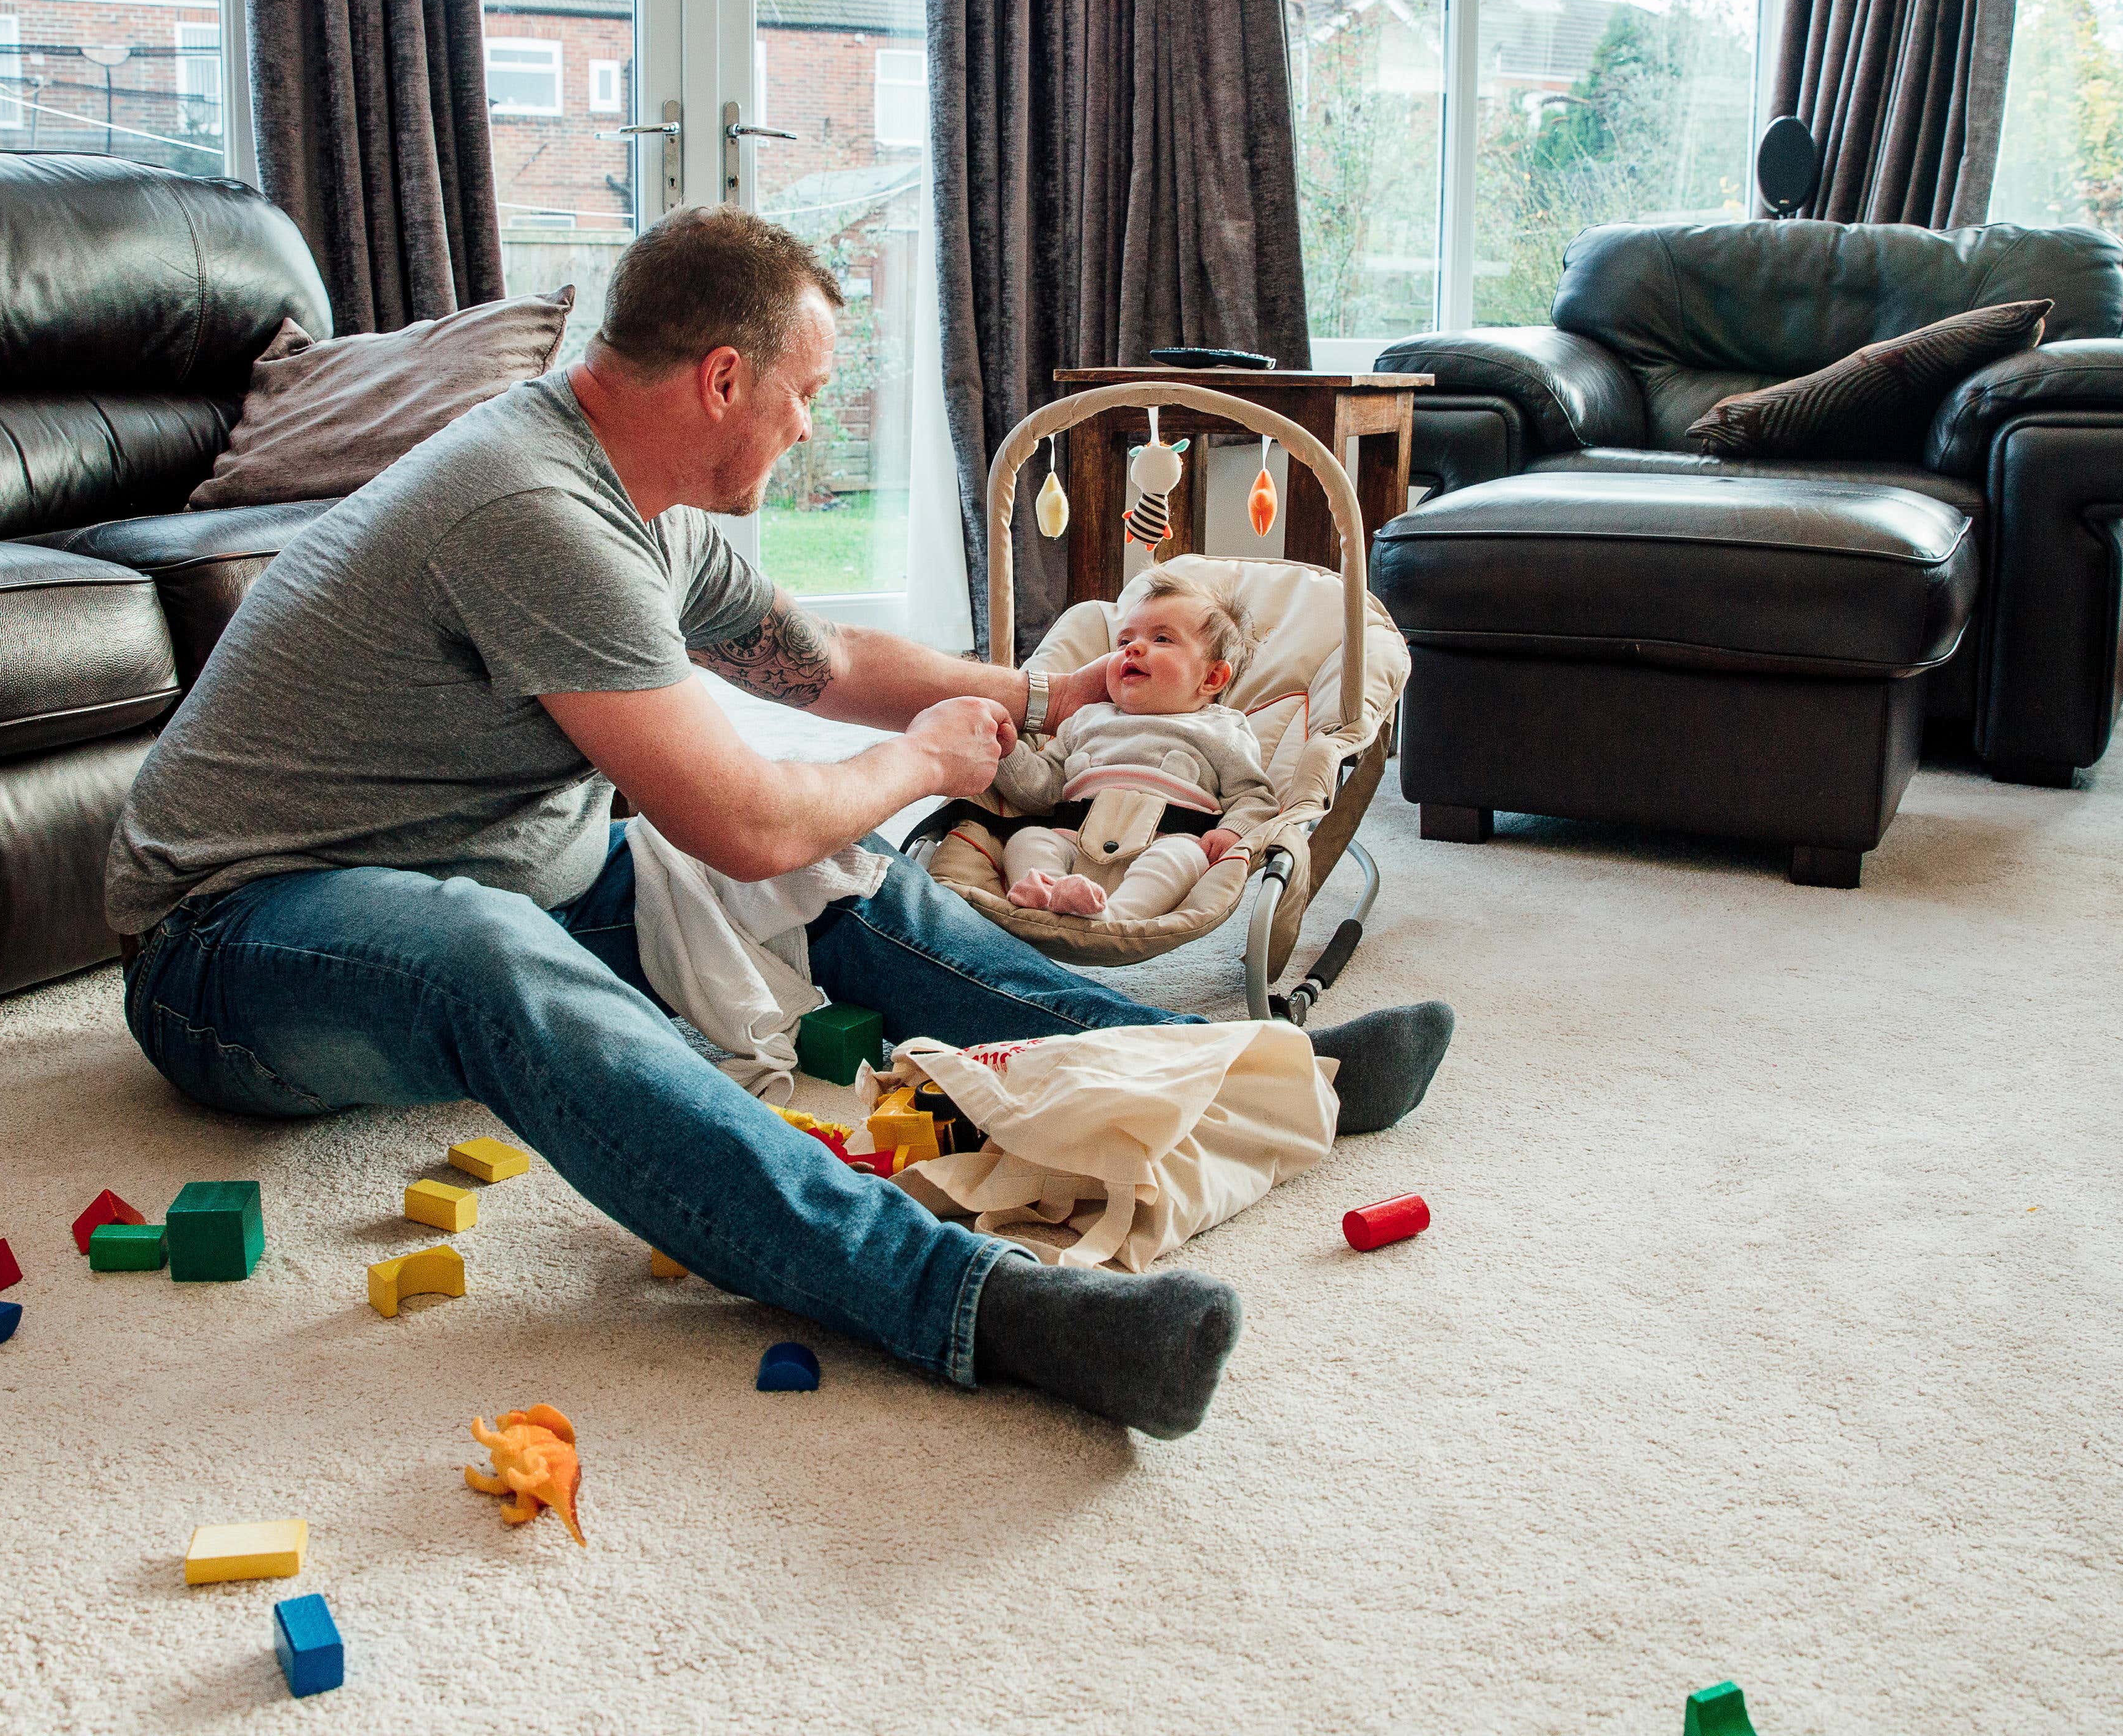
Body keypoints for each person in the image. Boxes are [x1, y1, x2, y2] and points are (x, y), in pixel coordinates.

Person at [106, 205, 1453, 1438]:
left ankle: (1228, 1071)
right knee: (539, 935)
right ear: (723, 380)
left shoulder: (632, 497)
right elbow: (749, 819)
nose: (813, 427)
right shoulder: (532, 508)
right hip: (234, 946)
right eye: (806, 394)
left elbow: (828, 668)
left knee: (837, 878)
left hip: (488, 873)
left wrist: (1045, 691)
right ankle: (969, 1301)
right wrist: (927, 767)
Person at [995, 567, 1273, 919]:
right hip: (1075, 836)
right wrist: (1007, 752)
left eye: (1162, 639)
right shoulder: (1086, 719)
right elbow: (1043, 788)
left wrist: (1235, 830)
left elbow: (1254, 797)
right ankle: (1049, 892)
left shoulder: (1222, 729)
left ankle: (1116, 916)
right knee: (1028, 839)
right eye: (1124, 642)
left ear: (1212, 677)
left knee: (1182, 858)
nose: (1133, 650)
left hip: (1166, 838)